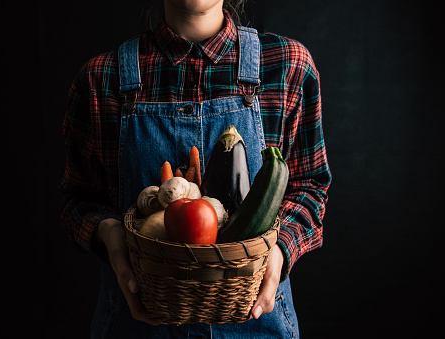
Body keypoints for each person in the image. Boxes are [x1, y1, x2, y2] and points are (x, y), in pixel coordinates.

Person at [60, 0, 331, 337]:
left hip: (257, 323)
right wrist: (113, 239)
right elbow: (77, 199)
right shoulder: (101, 79)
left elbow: (309, 185)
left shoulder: (287, 66)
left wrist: (278, 251)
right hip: (136, 324)